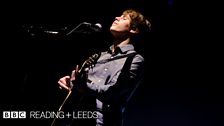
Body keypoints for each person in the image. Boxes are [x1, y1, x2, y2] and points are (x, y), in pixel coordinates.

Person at [56, 8, 151, 126]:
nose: (117, 18)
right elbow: (84, 87)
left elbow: (114, 92)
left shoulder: (135, 60)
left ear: (134, 29)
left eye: (124, 18)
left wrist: (83, 86)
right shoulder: (99, 56)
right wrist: (71, 83)